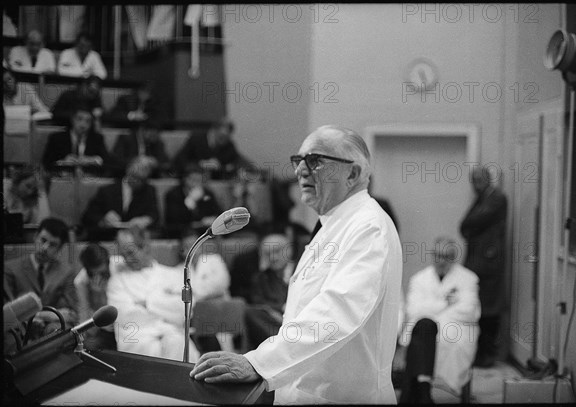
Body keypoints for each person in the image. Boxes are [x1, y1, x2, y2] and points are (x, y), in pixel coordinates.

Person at [190, 125, 403, 404]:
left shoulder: (368, 227)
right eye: (298, 161)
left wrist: (258, 363)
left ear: (352, 173)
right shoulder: (331, 225)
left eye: (315, 161)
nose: (300, 170)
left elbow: (336, 312)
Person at [398, 236, 480, 403]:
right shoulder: (419, 279)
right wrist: (444, 303)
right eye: (437, 256)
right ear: (432, 255)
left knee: (443, 339)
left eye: (446, 257)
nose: (441, 261)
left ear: (453, 258)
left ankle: (419, 387)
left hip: (457, 327)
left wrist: (432, 312)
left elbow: (469, 310)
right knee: (423, 331)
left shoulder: (468, 278)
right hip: (424, 327)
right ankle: (423, 389)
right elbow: (413, 309)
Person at [106, 227, 200, 361]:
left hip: (174, 337)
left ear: (146, 247)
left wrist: (148, 303)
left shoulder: (172, 275)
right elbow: (124, 316)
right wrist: (165, 310)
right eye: (123, 255)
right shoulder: (116, 282)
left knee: (177, 343)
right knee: (152, 349)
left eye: (131, 253)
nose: (127, 259)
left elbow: (186, 310)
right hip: (137, 341)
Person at [460, 165, 508, 368]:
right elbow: (464, 225)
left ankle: (488, 355)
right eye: (473, 181)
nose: (475, 185)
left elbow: (471, 221)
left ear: (488, 179)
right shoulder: (481, 198)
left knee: (489, 309)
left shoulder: (496, 198)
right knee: (476, 306)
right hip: (477, 262)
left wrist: (468, 226)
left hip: (488, 263)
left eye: (479, 180)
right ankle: (479, 353)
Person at [4, 218, 78, 337]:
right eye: (43, 240)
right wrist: (45, 315)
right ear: (35, 237)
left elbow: (72, 314)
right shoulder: (11, 268)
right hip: (17, 334)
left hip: (48, 334)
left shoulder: (66, 272)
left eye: (52, 245)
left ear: (60, 248)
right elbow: (6, 314)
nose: (44, 248)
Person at [81, 156, 159, 241]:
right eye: (136, 177)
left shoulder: (148, 190)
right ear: (128, 172)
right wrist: (103, 219)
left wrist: (146, 219)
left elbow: (154, 214)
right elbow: (88, 216)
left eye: (143, 179)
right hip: (108, 239)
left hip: (135, 239)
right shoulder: (107, 191)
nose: (139, 182)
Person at [244, 233, 294, 350]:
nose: (273, 257)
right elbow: (259, 302)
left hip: (300, 319)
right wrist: (280, 309)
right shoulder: (261, 278)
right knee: (251, 312)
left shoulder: (303, 270)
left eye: (276, 251)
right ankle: (283, 344)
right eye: (268, 253)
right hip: (275, 321)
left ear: (289, 250)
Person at [173, 117, 252, 179]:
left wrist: (220, 166)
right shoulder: (196, 139)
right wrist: (200, 164)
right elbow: (180, 160)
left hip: (216, 180)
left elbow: (237, 161)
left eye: (226, 137)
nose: (223, 140)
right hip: (194, 178)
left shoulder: (229, 146)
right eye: (221, 136)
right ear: (213, 130)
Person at [42, 106, 109, 176]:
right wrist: (63, 163)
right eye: (79, 119)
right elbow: (46, 164)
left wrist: (93, 160)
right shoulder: (57, 138)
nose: (83, 124)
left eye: (87, 121)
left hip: (89, 179)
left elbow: (108, 162)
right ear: (72, 119)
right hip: (61, 179)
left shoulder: (97, 139)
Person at [73, 243, 116, 351]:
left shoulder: (118, 267)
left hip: (125, 322)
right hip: (103, 328)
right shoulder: (81, 281)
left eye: (103, 273)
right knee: (89, 345)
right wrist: (98, 295)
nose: (98, 278)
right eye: (94, 274)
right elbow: (84, 312)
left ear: (108, 262)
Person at [164, 163, 221, 238]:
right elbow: (174, 220)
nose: (196, 183)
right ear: (185, 179)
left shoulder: (207, 193)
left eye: (199, 180)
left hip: (204, 229)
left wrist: (212, 219)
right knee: (191, 235)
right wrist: (190, 201)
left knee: (218, 234)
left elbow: (218, 212)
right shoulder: (173, 194)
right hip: (181, 231)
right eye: (193, 180)